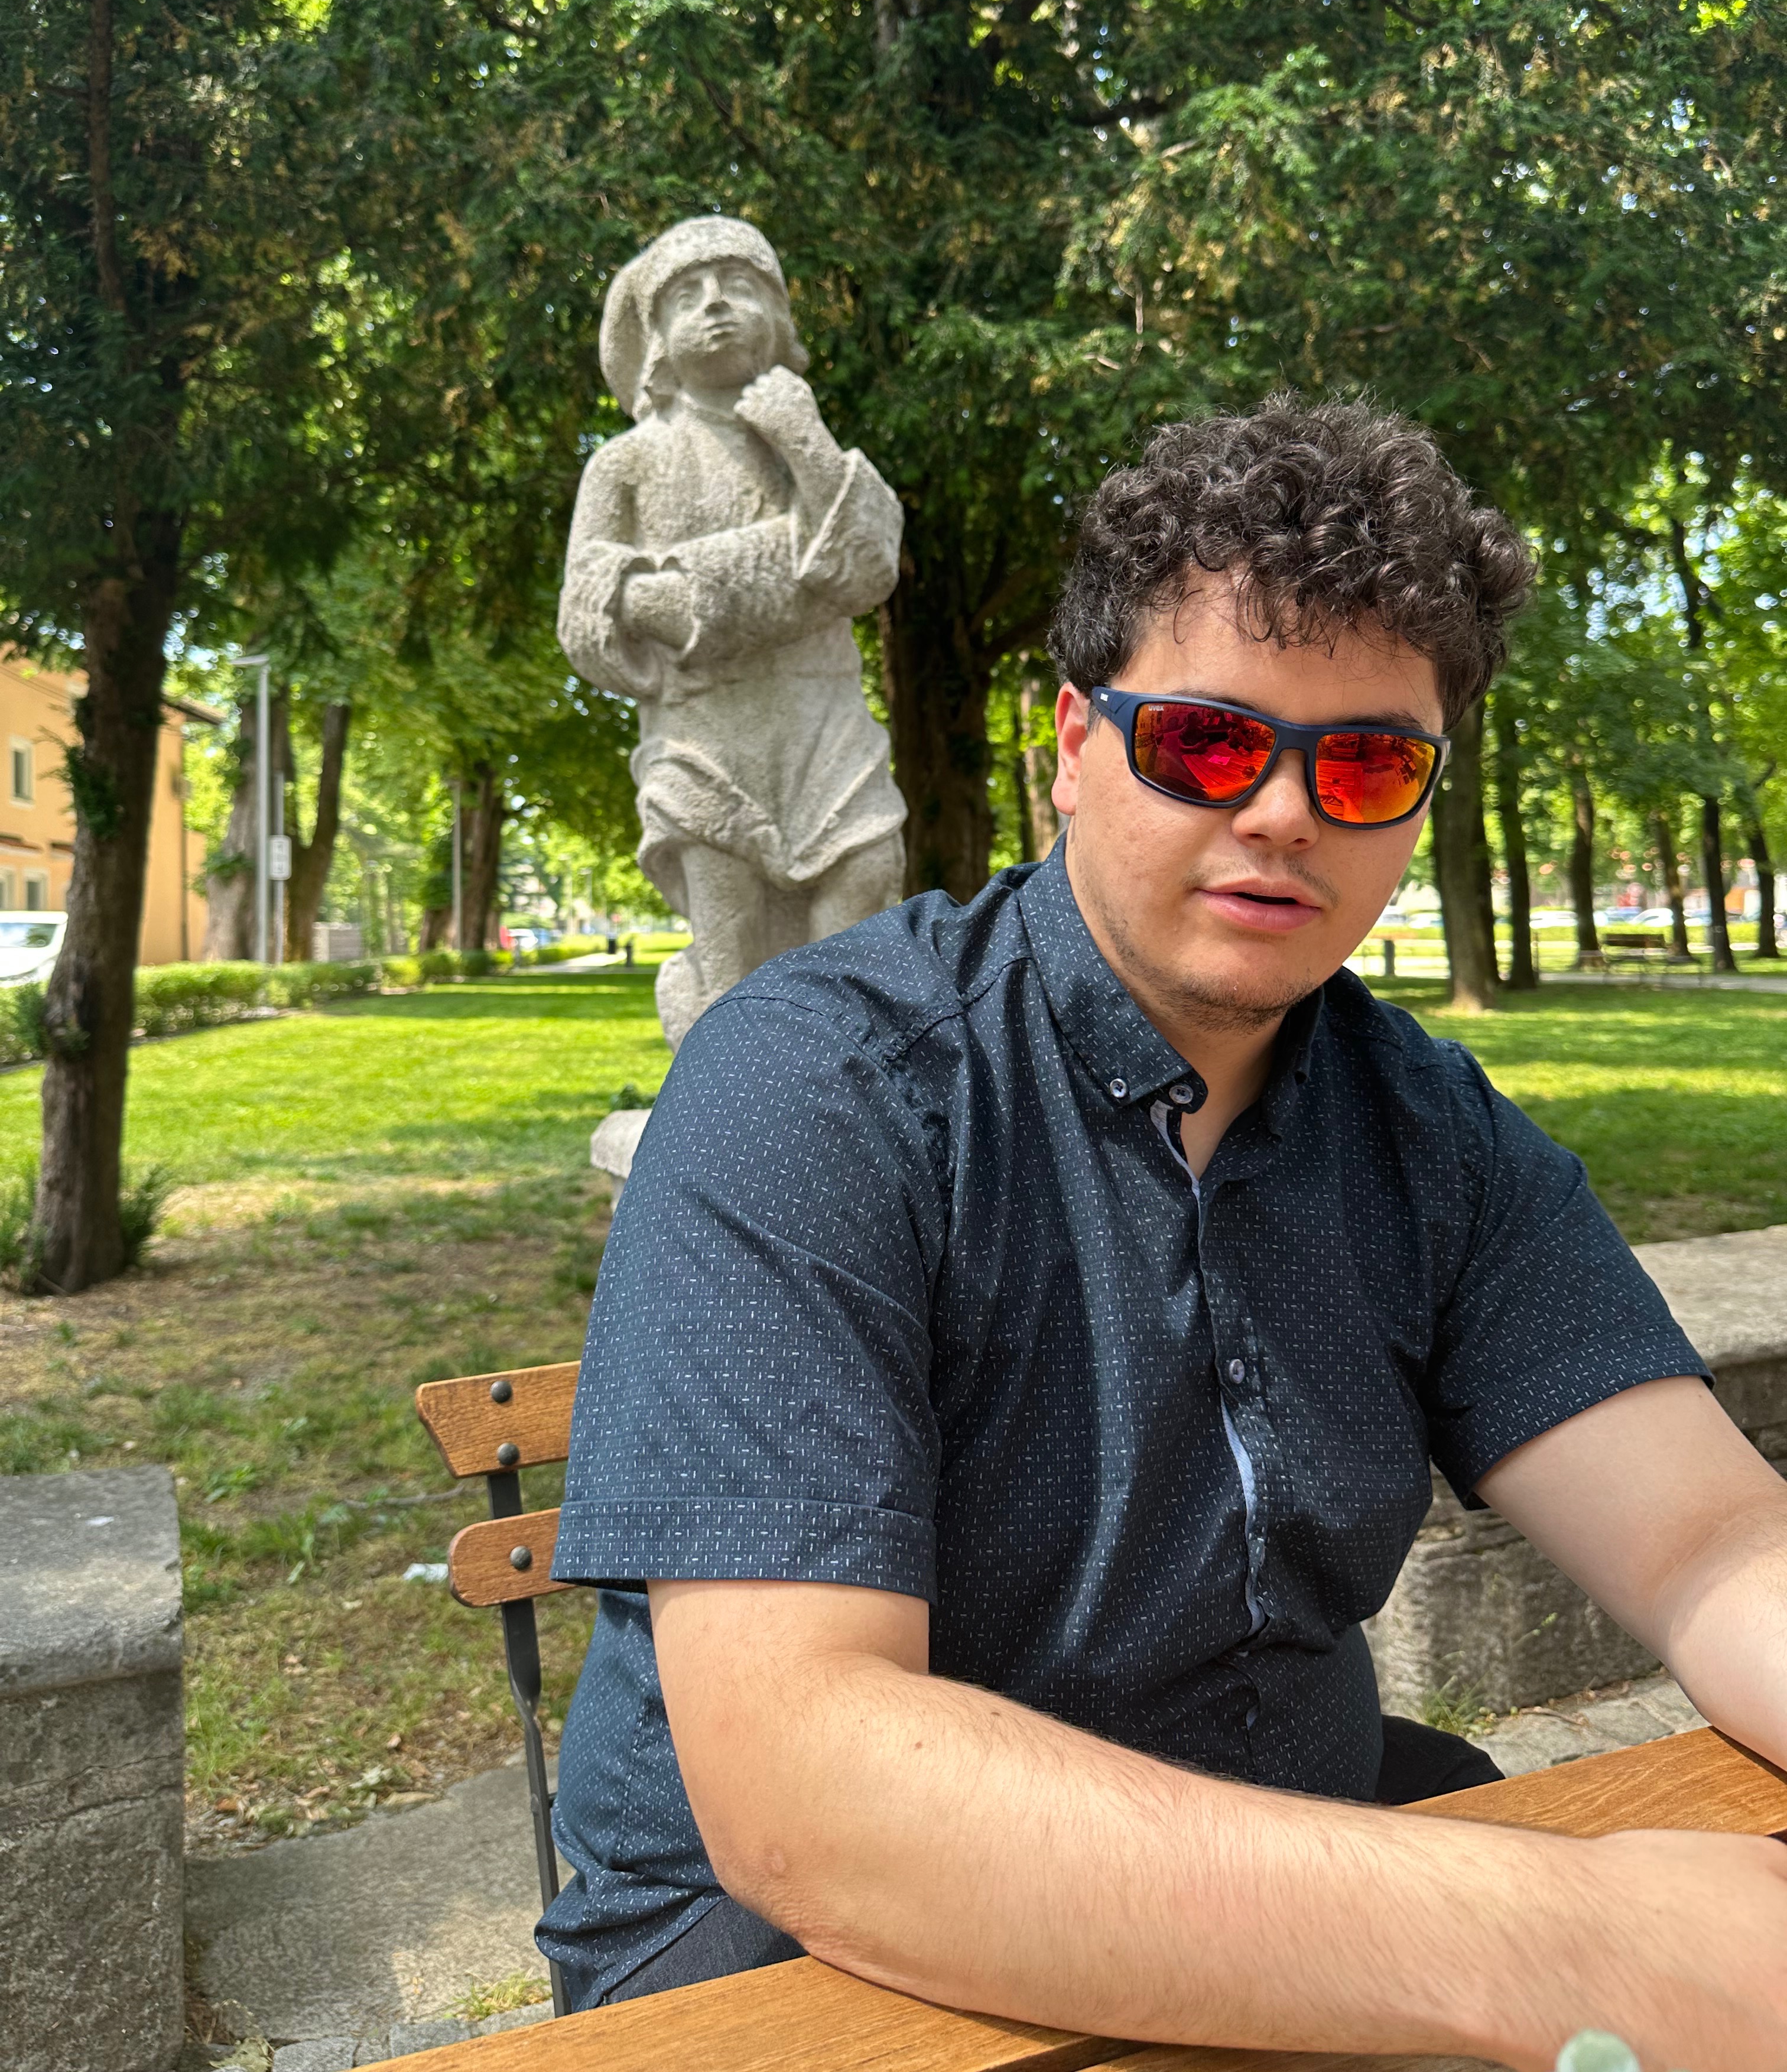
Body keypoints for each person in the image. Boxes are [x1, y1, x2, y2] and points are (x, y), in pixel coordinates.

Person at [541, 398, 1787, 2068]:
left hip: (1298, 1877)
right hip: (795, 1963)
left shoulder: (1431, 1135)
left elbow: (1712, 1545)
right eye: (1205, 743)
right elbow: (808, 1787)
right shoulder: (818, 1088)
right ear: (1074, 745)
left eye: (1366, 764)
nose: (1282, 813)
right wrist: (1575, 1939)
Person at [557, 216, 907, 1048]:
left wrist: (803, 440)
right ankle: (728, 1103)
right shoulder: (626, 463)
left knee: (867, 873)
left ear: (778, 317)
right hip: (704, 736)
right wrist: (684, 599)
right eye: (688, 296)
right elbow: (585, 609)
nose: (716, 304)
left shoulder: (806, 445)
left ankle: (848, 1088)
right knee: (731, 938)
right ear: (656, 341)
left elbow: (866, 568)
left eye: (741, 286)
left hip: (824, 723)